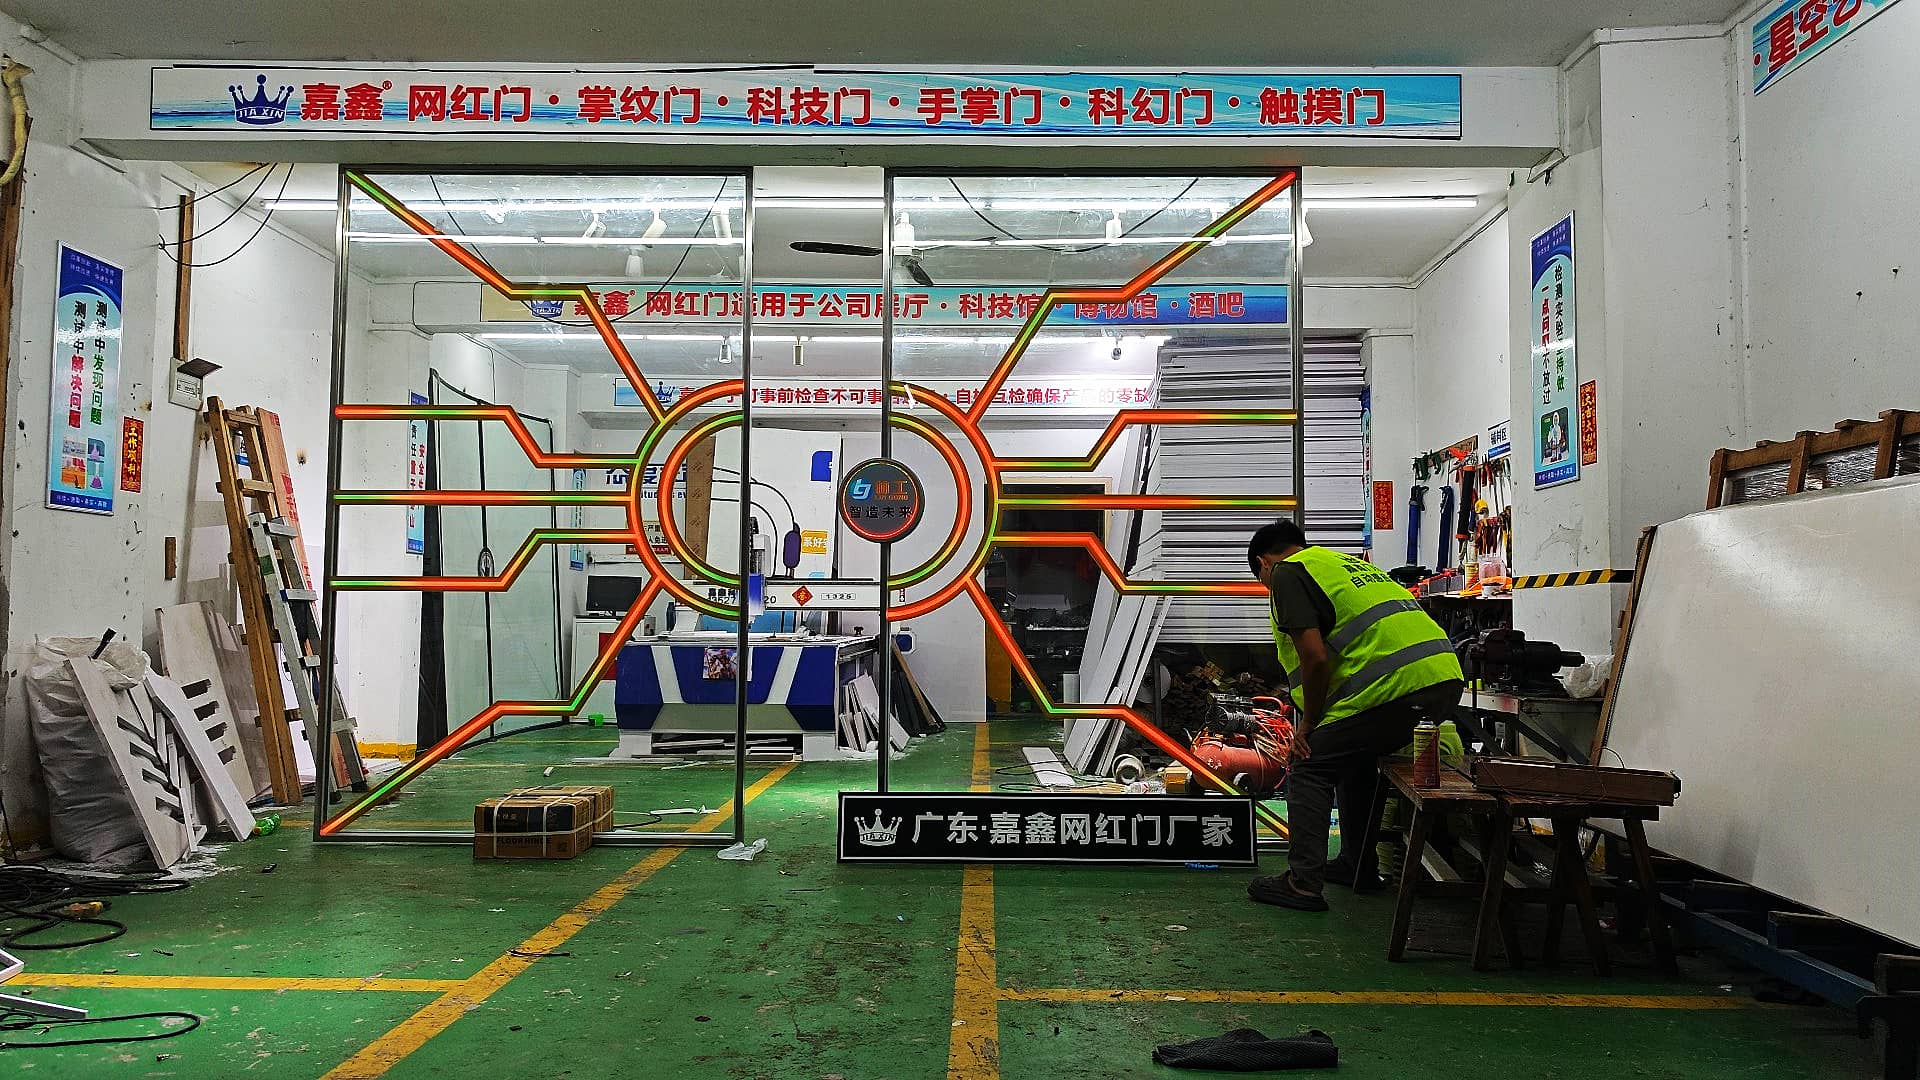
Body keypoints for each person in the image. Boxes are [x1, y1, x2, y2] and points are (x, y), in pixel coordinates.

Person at [1243, 519, 1464, 912]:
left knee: (1309, 763)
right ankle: (1357, 865)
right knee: (1353, 760)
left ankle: (1302, 883)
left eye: (1262, 582)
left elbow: (1314, 658)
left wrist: (1308, 725)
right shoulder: (1344, 565)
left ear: (1264, 563)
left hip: (1394, 689)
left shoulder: (1286, 574)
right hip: (1443, 681)